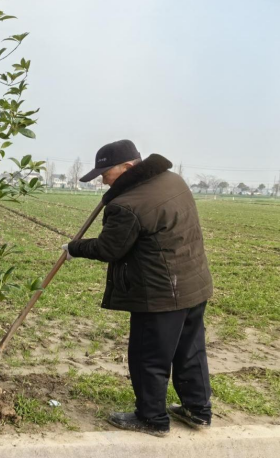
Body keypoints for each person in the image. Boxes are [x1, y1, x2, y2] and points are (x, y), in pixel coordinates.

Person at [62, 140, 213, 437]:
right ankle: (198, 410)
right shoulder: (173, 180)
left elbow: (109, 248)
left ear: (128, 167)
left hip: (159, 293)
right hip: (193, 283)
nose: (103, 180)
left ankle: (151, 418)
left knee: (148, 357)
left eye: (106, 173)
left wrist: (74, 248)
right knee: (190, 349)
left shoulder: (127, 204)